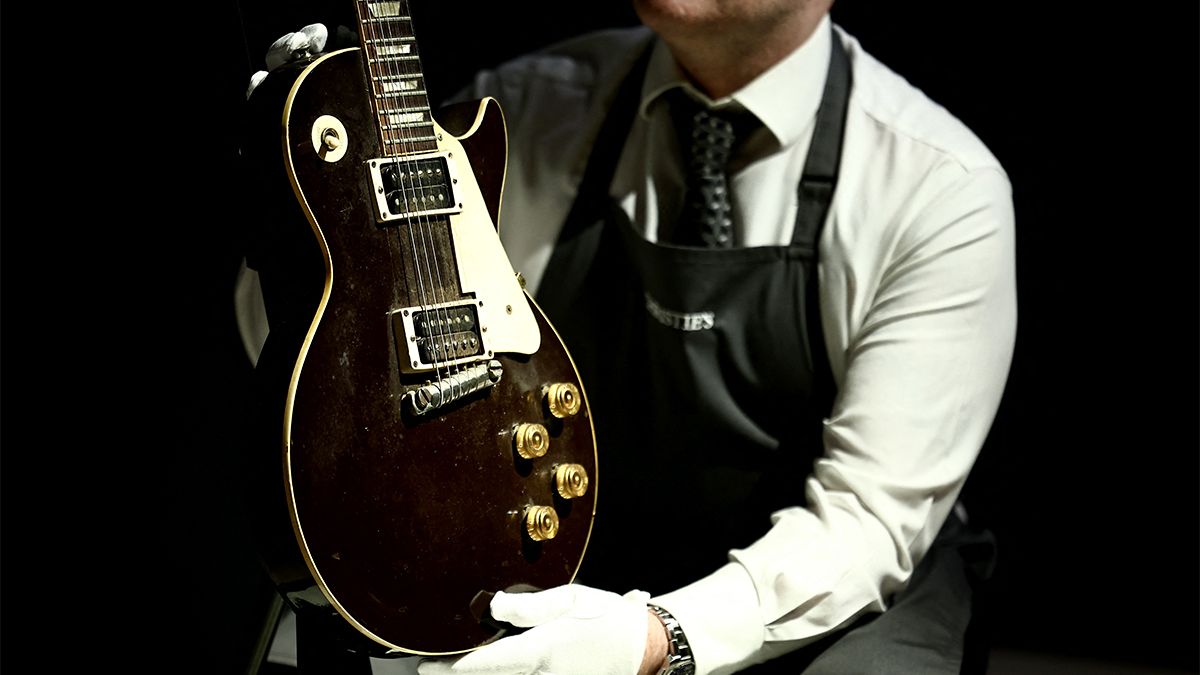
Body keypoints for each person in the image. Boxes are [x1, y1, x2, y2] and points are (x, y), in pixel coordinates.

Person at [239, 1, 1016, 673]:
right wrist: (295, 220)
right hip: (583, 533)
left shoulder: (940, 186)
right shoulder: (530, 106)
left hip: (834, 579)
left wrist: (658, 636)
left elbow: (868, 517)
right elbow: (332, 359)